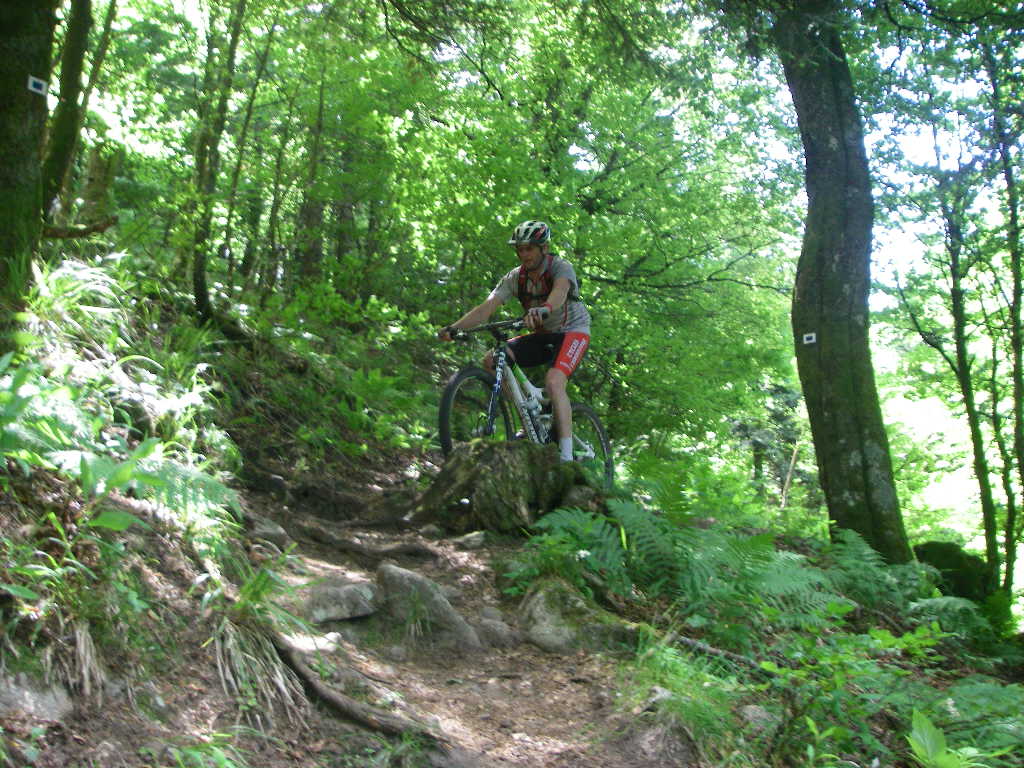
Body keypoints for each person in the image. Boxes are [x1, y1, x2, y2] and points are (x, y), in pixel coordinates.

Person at [438, 220, 591, 462]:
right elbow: (486, 308)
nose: (524, 254)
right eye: (520, 249)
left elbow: (560, 292)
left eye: (529, 248)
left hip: (573, 331)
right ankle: (527, 422)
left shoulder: (560, 267)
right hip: (542, 334)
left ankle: (566, 455)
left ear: (544, 248)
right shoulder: (515, 278)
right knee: (492, 360)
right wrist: (454, 328)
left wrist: (545, 309)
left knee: (554, 382)